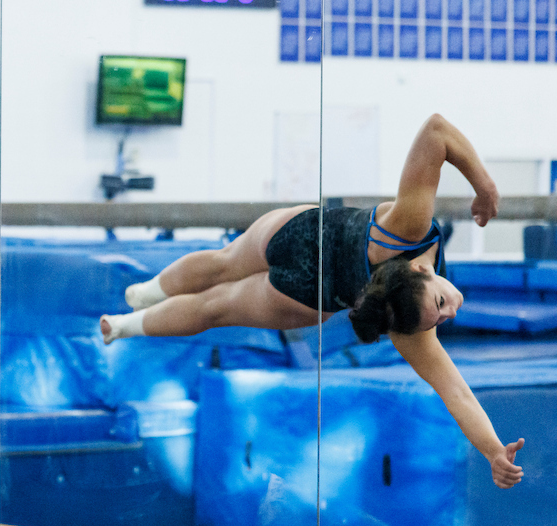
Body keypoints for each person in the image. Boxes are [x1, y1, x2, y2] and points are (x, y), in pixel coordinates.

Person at [100, 113, 524, 490]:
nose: (453, 311)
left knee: (223, 267)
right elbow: (435, 129)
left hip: (304, 239)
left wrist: (492, 451)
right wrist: (485, 185)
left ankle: (140, 303)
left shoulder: (407, 275)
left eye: (440, 318)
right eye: (442, 305)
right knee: (217, 305)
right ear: (418, 270)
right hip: (310, 284)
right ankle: (127, 321)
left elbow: (457, 393)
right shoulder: (408, 256)